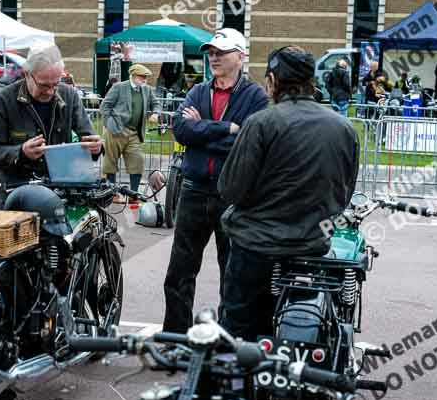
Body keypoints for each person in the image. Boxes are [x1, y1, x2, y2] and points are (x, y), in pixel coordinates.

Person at [218, 46, 359, 342]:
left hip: (255, 247)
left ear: (272, 81)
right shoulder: (344, 127)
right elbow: (344, 195)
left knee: (237, 334)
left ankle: (238, 383)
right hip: (311, 246)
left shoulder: (260, 124)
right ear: (312, 81)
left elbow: (231, 189)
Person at [162, 28, 268, 333]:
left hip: (231, 196)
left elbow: (248, 141)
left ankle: (227, 338)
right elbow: (181, 130)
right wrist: (226, 129)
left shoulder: (255, 96)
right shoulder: (197, 91)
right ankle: (175, 336)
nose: (214, 57)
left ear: (240, 56)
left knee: (232, 274)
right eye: (211, 52)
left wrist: (203, 131)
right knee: (179, 272)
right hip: (194, 191)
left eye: (221, 52)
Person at [0, 45, 103, 206]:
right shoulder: (4, 101)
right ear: (26, 74)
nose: (51, 91)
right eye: (44, 85)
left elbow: (89, 137)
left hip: (61, 194)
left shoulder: (70, 95)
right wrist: (21, 152)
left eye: (56, 84)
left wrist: (96, 148)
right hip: (18, 195)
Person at [99, 63, 161, 195]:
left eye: (146, 77)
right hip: (115, 131)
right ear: (133, 76)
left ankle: (134, 194)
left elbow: (156, 103)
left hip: (134, 133)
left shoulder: (147, 89)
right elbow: (105, 106)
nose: (144, 80)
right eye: (142, 77)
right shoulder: (119, 87)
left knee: (137, 162)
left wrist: (156, 113)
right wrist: (109, 123)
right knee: (111, 162)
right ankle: (112, 193)